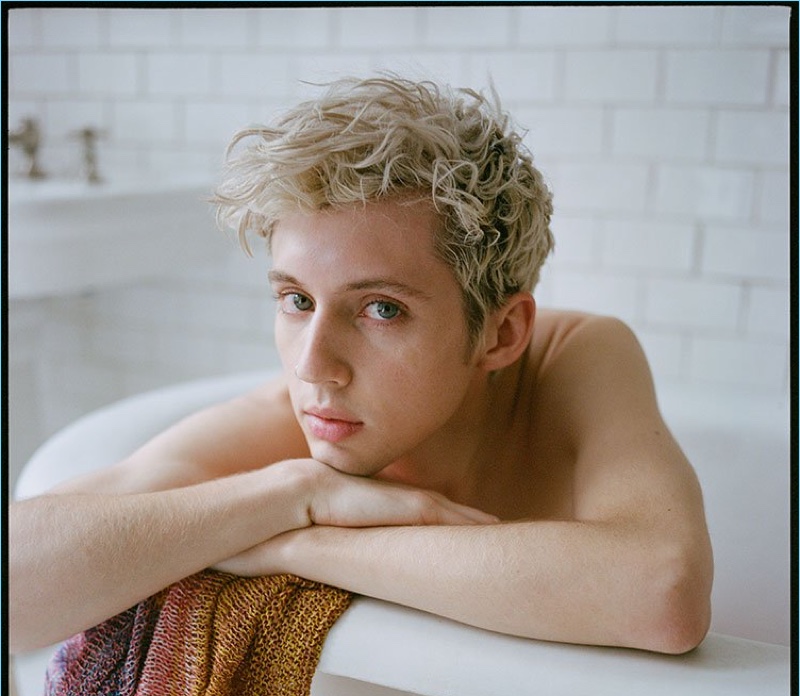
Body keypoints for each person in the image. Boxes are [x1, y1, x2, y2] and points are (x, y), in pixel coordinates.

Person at [9, 75, 713, 657]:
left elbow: (663, 593)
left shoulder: (572, 358)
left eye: (381, 310)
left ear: (501, 333)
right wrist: (293, 495)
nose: (314, 365)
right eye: (295, 299)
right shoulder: (286, 429)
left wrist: (299, 546)